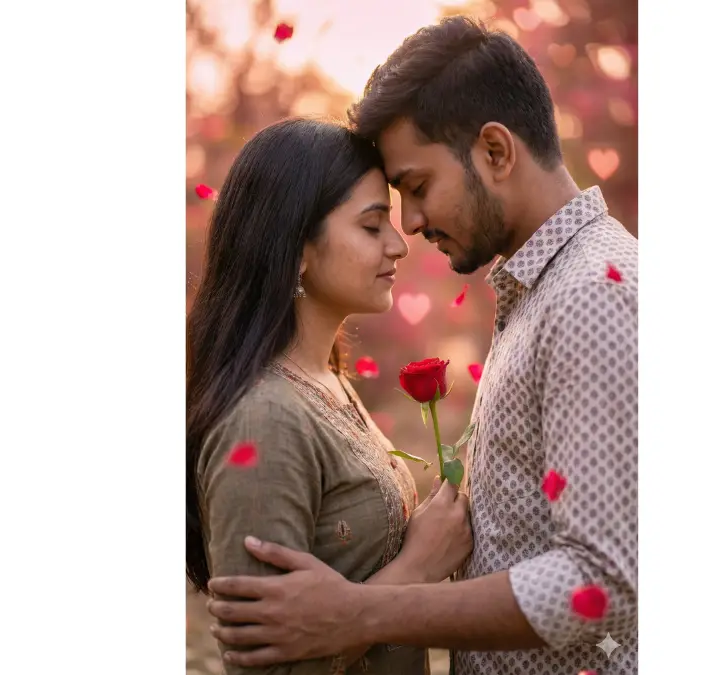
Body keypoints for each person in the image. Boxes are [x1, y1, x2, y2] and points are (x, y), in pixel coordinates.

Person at [205, 16, 640, 675]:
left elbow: (602, 581)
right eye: (380, 215)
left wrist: (362, 611)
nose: (408, 226)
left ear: (495, 152)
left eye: (416, 187)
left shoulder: (590, 295)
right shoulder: (543, 291)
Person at [186, 117, 474, 675]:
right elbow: (268, 669)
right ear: (296, 248)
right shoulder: (263, 420)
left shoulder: (329, 378)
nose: (399, 245)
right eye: (371, 226)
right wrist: (418, 567)